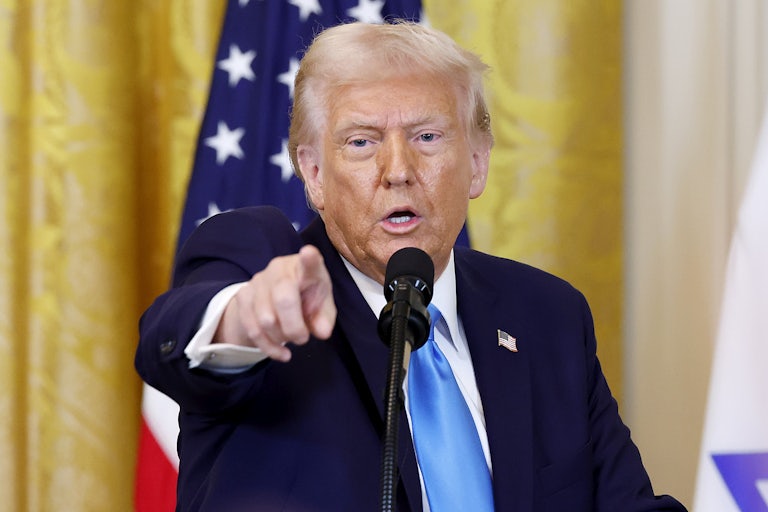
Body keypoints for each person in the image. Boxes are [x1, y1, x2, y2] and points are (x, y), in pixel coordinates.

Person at [136, 21, 686, 512]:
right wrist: (245, 319)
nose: (397, 170)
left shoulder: (546, 315)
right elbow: (173, 337)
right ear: (313, 174)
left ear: (476, 164)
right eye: (360, 141)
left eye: (427, 137)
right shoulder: (260, 259)